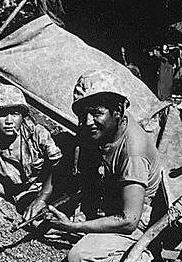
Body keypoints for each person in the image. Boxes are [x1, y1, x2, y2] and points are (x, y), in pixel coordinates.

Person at [45, 69, 163, 262]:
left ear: (117, 111)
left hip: (134, 221)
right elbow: (70, 155)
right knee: (46, 224)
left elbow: (129, 220)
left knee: (78, 256)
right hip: (105, 201)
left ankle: (141, 256)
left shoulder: (133, 151)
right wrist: (43, 198)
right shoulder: (101, 128)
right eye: (83, 115)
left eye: (97, 113)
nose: (88, 121)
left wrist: (75, 227)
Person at [0, 84, 62, 221]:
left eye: (15, 114)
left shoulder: (37, 134)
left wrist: (43, 196)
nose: (9, 121)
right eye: (2, 115)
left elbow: (58, 165)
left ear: (23, 116)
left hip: (43, 189)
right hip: (11, 193)